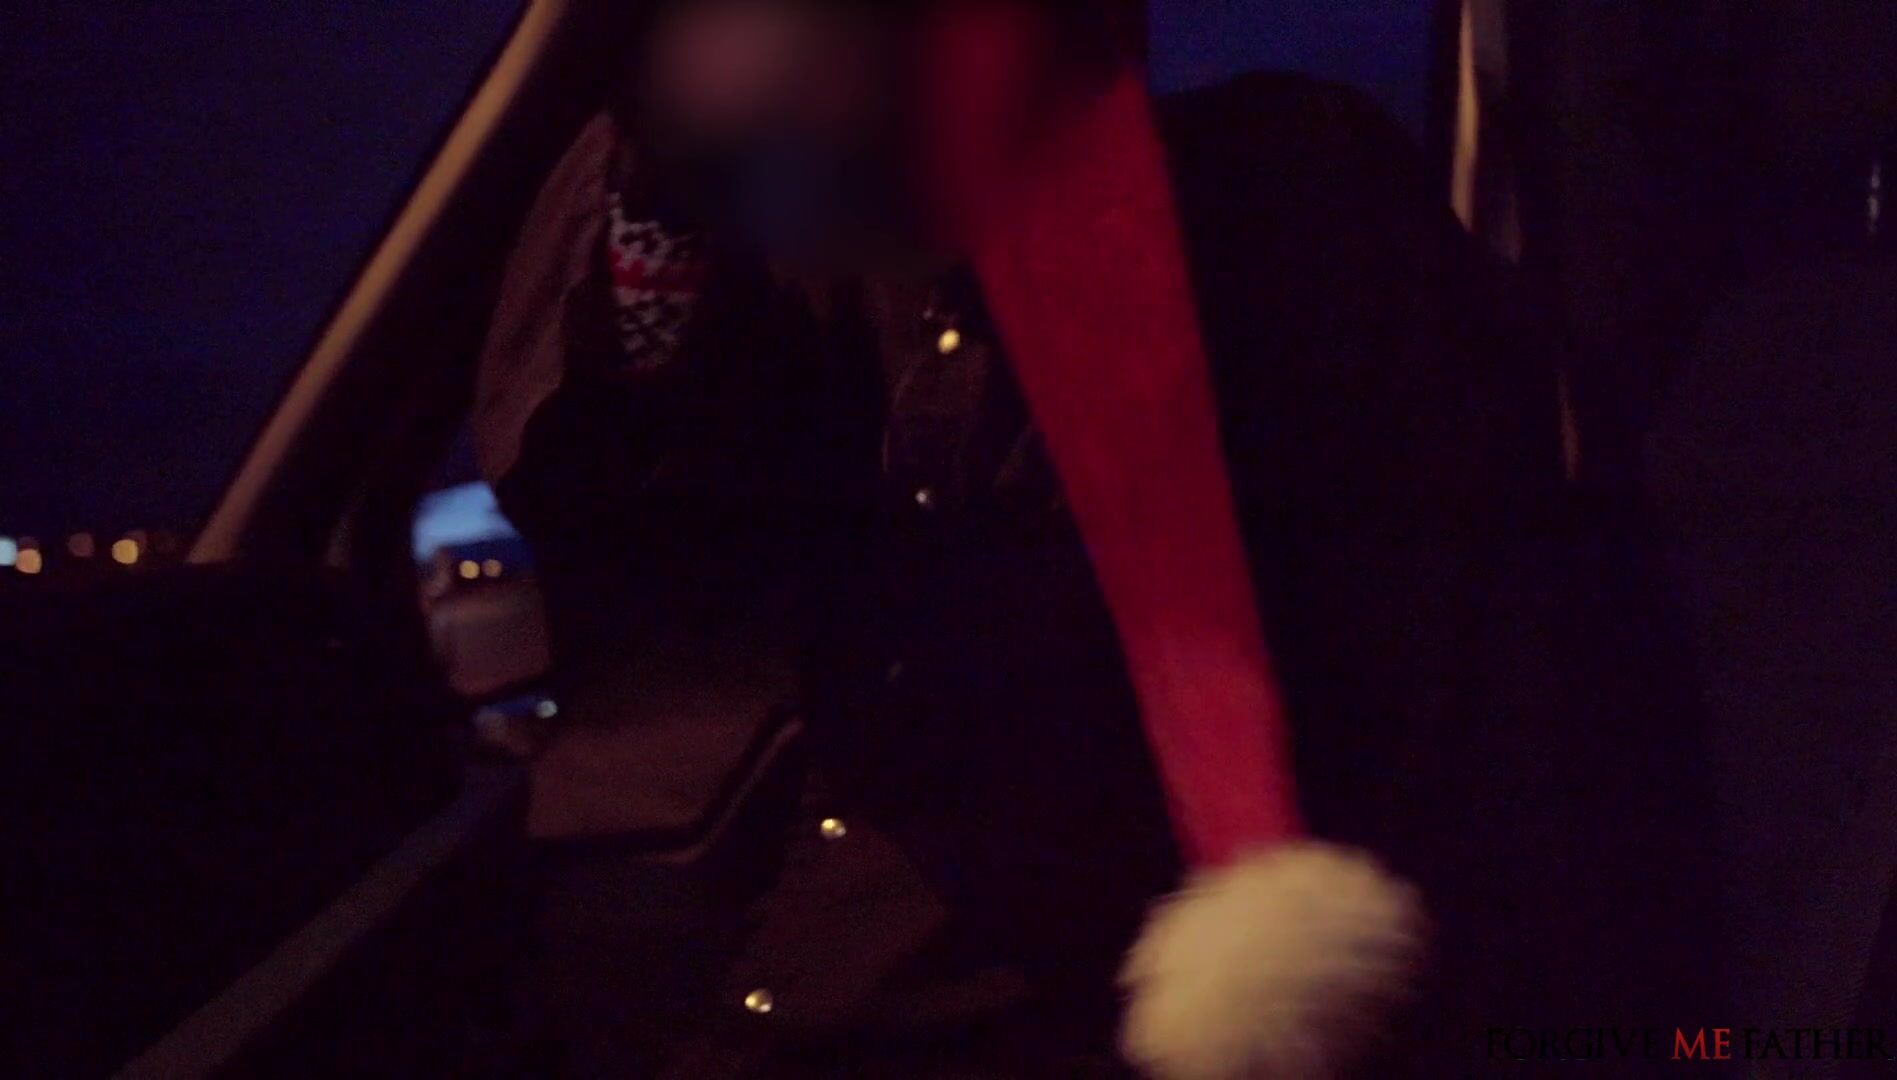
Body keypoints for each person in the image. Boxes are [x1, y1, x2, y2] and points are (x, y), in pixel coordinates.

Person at [475, 2, 1715, 1075]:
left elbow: (1464, 680)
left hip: (1098, 1011)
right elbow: (597, 498)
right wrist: (664, 185)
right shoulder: (794, 270)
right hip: (796, 990)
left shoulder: (1286, 200)